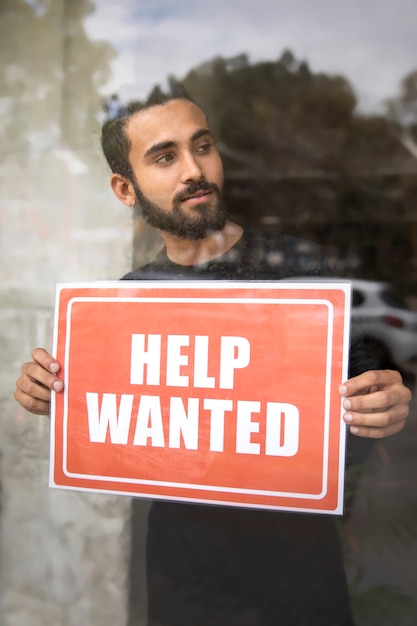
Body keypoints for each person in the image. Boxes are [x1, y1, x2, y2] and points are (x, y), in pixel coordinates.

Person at [15, 88, 411, 625]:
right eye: (165, 156)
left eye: (202, 147)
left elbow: (358, 416)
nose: (193, 170)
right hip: (183, 578)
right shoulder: (127, 300)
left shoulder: (300, 268)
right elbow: (108, 429)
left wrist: (380, 407)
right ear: (125, 189)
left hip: (298, 578)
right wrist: (52, 393)